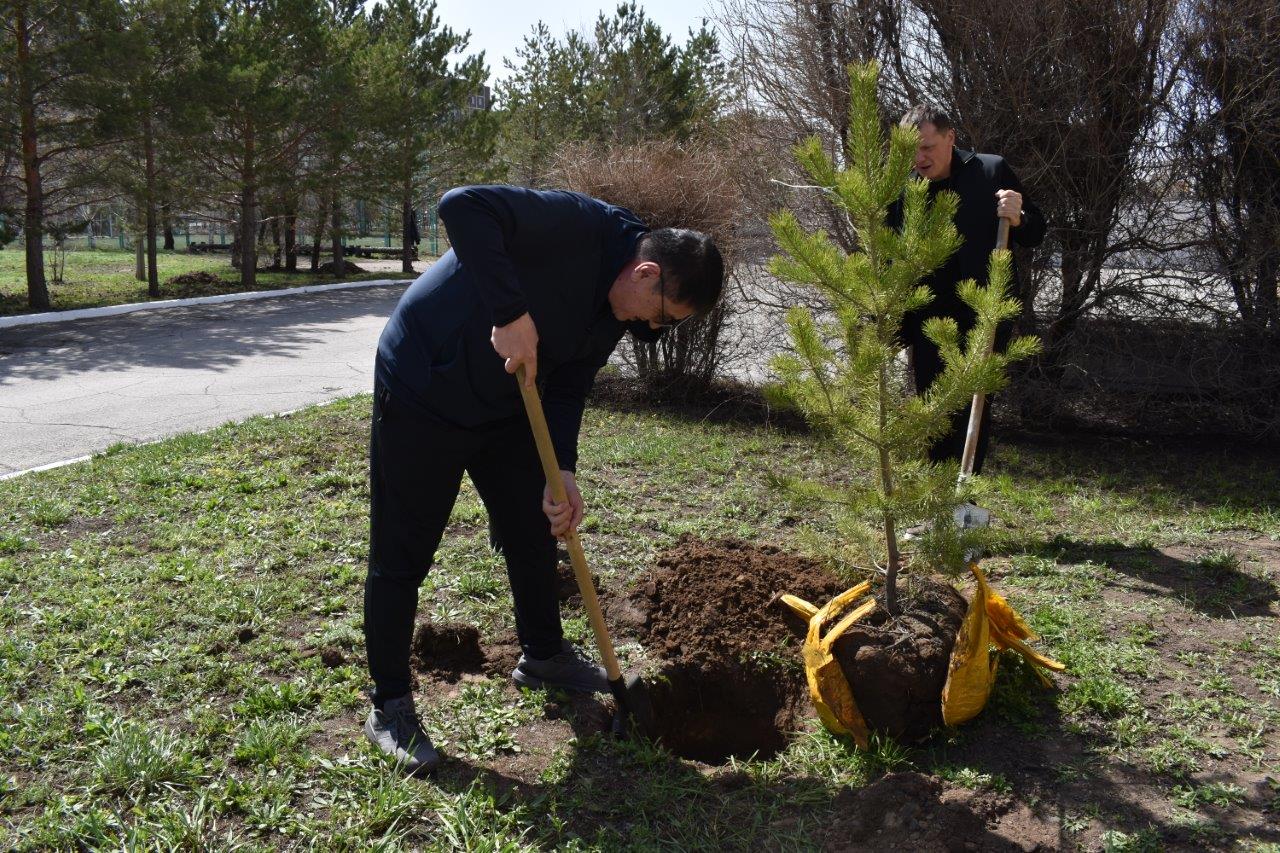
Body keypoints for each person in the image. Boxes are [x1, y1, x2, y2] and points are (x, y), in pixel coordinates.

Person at [363, 184, 724, 774]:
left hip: (508, 406)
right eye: (659, 316)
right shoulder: (576, 226)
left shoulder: (616, 312)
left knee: (537, 524)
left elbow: (570, 384)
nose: (651, 331)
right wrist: (509, 313)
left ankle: (544, 654)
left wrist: (562, 469)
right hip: (426, 384)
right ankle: (391, 706)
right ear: (646, 271)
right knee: (403, 553)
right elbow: (461, 206)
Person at [891, 104, 1046, 474]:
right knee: (934, 410)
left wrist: (1018, 216)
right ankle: (937, 504)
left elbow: (1036, 231)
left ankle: (963, 506)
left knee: (974, 415)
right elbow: (889, 256)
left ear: (950, 138)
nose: (919, 157)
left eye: (927, 147)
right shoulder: (904, 190)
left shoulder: (990, 172)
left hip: (984, 317)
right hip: (929, 319)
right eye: (911, 148)